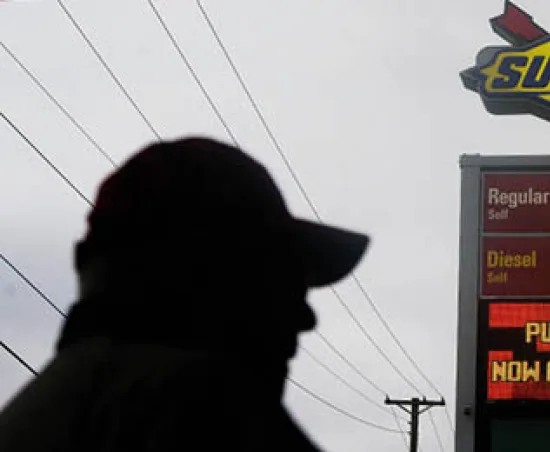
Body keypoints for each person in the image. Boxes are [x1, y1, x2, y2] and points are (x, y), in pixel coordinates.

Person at [0, 137, 370, 451]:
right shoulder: (208, 417)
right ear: (210, 277)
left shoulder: (52, 409)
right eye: (282, 279)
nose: (306, 318)